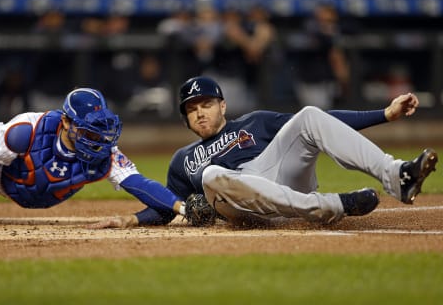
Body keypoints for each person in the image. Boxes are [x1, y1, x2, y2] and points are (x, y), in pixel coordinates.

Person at [89, 76, 438, 229]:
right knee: (211, 175)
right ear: (185, 119)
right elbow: (170, 206)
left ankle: (397, 176)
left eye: (206, 103)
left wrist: (385, 114)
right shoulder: (183, 160)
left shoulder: (256, 121)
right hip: (241, 205)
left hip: (281, 180)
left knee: (310, 115)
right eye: (191, 109)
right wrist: (132, 219)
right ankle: (331, 206)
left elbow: (327, 122)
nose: (200, 112)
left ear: (223, 105)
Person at [0, 87, 184, 230]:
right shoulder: (26, 130)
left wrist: (183, 208)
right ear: (66, 122)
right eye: (87, 130)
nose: (96, 137)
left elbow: (138, 183)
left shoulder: (103, 151)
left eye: (98, 129)